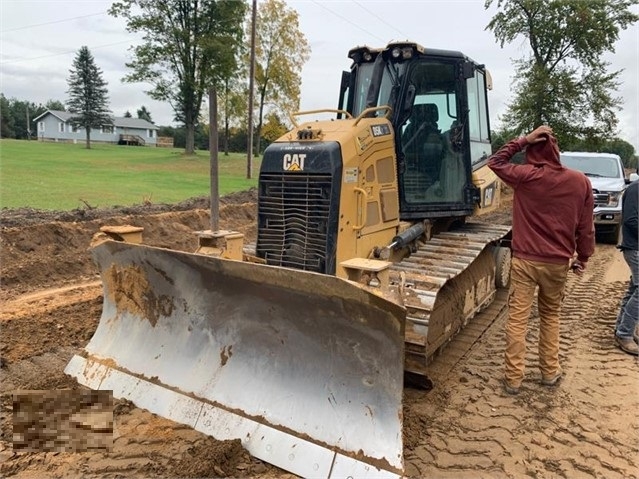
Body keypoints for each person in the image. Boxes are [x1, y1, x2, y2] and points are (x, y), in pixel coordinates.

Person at [488, 125, 595, 395]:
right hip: (557, 263)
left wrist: (523, 139)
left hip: (525, 261)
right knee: (550, 316)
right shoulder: (580, 181)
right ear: (556, 152)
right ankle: (549, 372)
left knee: (517, 320)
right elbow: (586, 227)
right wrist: (582, 257)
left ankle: (513, 379)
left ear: (531, 153)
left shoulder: (525, 176)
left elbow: (495, 161)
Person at [614, 179, 638, 355]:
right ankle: (625, 333)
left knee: (634, 289)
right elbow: (631, 220)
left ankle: (621, 329)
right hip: (635, 248)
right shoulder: (635, 190)